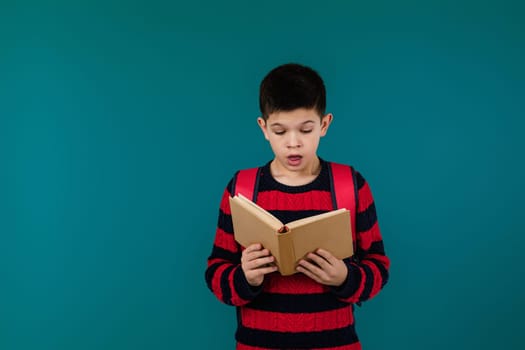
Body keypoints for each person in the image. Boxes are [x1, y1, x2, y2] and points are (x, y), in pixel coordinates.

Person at [205, 63, 390, 350]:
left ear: (324, 125)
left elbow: (378, 266)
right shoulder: (242, 188)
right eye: (280, 131)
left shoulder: (350, 185)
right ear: (263, 128)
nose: (293, 143)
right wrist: (245, 278)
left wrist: (345, 278)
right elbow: (216, 273)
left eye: (306, 129)